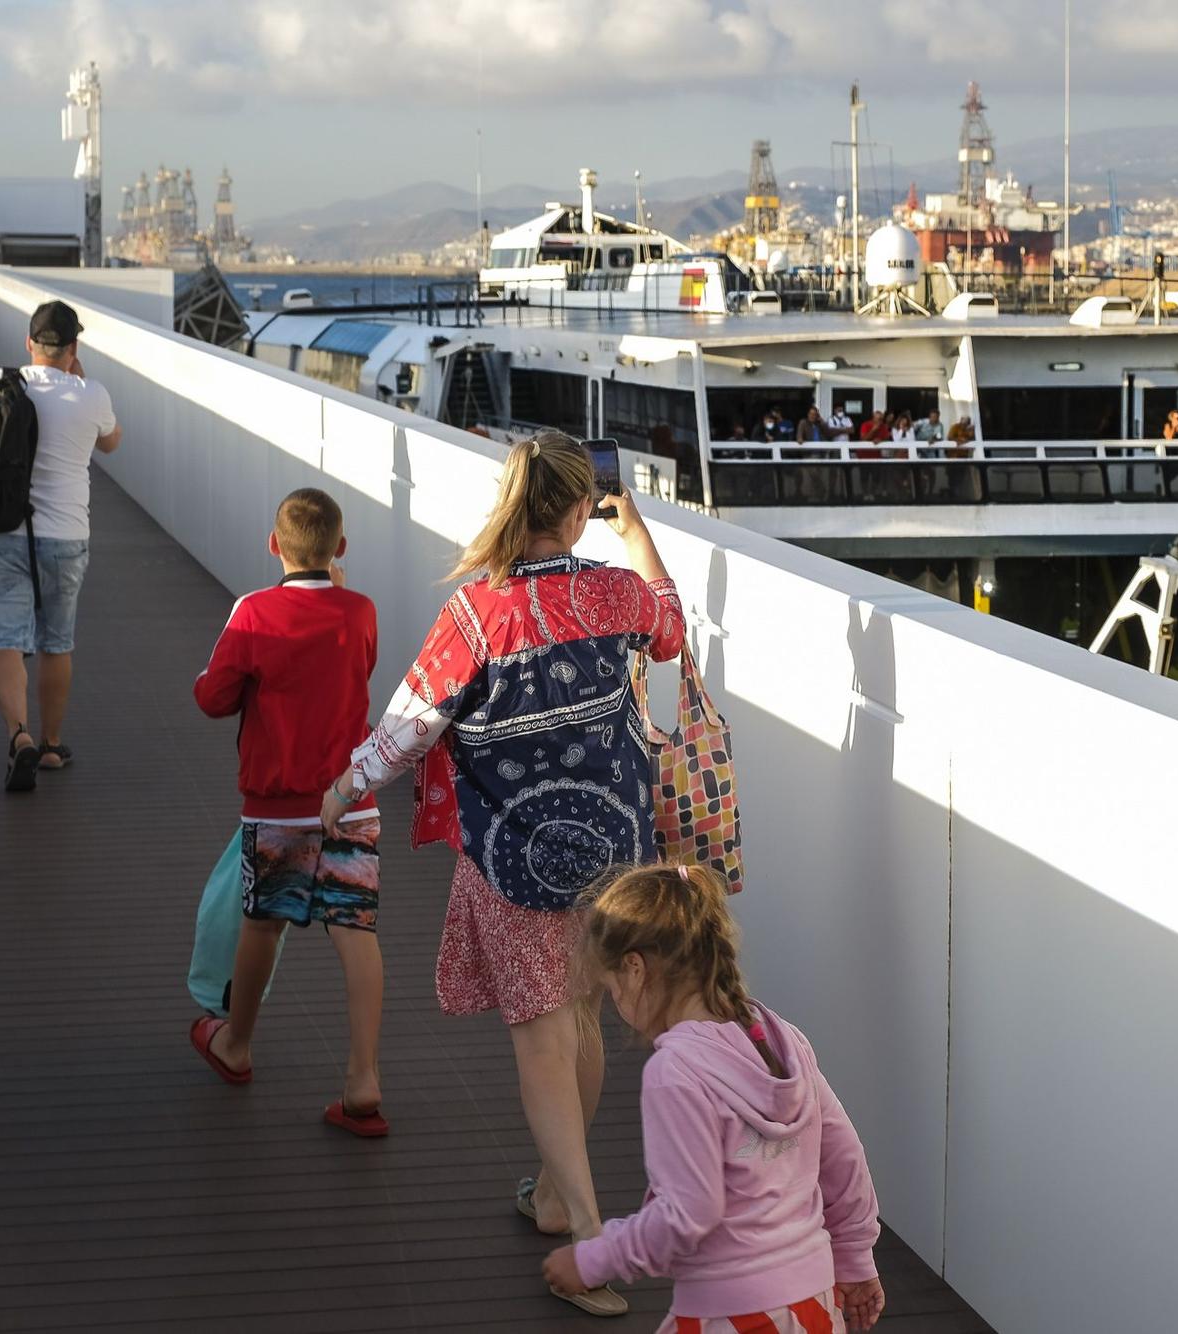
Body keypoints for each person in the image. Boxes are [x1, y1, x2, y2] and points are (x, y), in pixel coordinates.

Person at [322, 430, 684, 1319]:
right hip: (617, 855)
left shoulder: (478, 615)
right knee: (585, 1021)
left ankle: (591, 1237)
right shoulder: (619, 592)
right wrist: (633, 530)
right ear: (577, 510)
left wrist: (346, 784)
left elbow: (412, 724)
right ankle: (559, 1198)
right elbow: (672, 628)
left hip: (517, 856)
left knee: (540, 1038)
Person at [544, 864, 885, 1334]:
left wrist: (594, 1259)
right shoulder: (782, 1039)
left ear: (635, 968)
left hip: (733, 1315)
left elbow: (689, 1213)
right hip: (815, 1305)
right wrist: (854, 1256)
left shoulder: (676, 1072)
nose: (617, 1008)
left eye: (612, 989)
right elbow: (844, 1155)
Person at [189, 488, 387, 1135]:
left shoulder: (254, 611)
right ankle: (363, 1080)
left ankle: (236, 1044)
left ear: (273, 545)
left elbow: (212, 699)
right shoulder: (360, 611)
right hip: (349, 801)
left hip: (276, 806)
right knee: (355, 934)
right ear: (341, 550)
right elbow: (357, 665)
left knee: (262, 926)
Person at [0, 300, 122, 790]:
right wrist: (78, 382)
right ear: (73, 348)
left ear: (28, 345)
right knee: (56, 643)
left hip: (3, 531)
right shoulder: (91, 394)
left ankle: (20, 736)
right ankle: (53, 746)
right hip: (66, 537)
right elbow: (111, 442)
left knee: (7, 641)